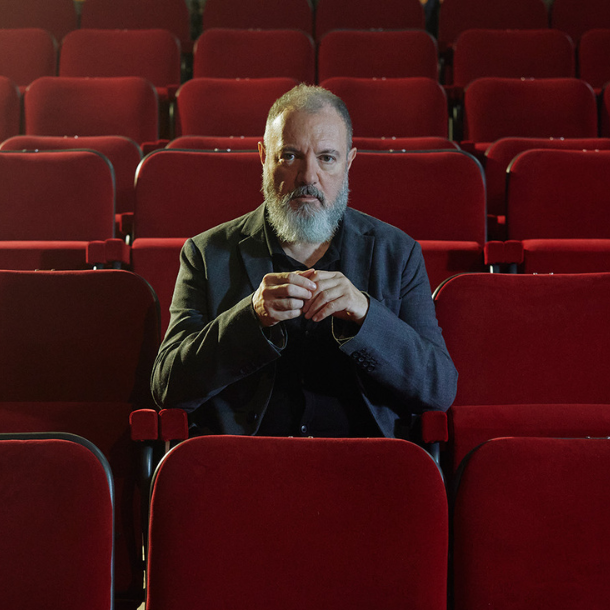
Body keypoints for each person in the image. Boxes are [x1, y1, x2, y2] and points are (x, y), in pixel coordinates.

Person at [150, 84, 457, 439]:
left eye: (327, 158)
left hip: (363, 466)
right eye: (290, 156)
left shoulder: (397, 253)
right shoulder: (206, 254)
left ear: (349, 162)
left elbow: (439, 389)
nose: (308, 177)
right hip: (244, 467)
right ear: (264, 157)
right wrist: (250, 317)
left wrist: (366, 314)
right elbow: (167, 386)